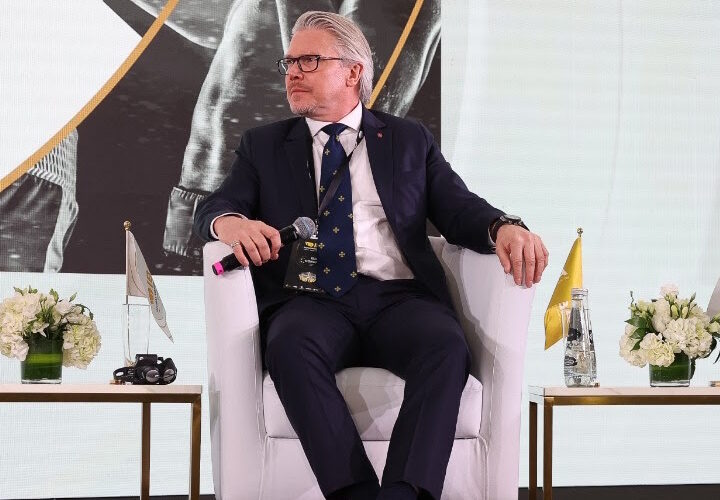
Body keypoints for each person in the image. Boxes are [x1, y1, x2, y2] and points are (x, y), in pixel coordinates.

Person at [194, 10, 548, 500]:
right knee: (290, 345)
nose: (292, 72)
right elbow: (215, 207)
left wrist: (503, 226)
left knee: (446, 347)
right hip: (312, 300)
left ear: (352, 72)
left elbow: (458, 207)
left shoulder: (408, 139)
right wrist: (231, 224)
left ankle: (404, 493)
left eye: (309, 61)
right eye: (289, 62)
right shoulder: (265, 145)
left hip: (398, 299)